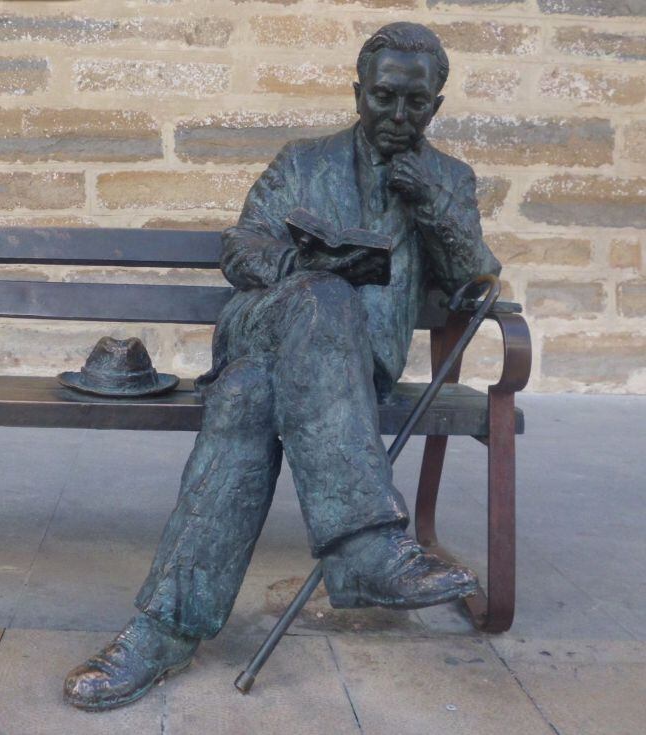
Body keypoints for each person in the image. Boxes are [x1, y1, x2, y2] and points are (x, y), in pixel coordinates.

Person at [63, 22, 502, 712]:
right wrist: (303, 269)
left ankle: (158, 631)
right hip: (262, 327)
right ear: (358, 92)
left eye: (416, 104)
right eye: (384, 97)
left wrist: (432, 207)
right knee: (321, 298)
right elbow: (242, 247)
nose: (398, 115)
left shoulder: (449, 180)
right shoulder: (303, 161)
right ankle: (364, 547)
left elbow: (476, 281)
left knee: (245, 399)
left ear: (436, 106)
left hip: (349, 371)